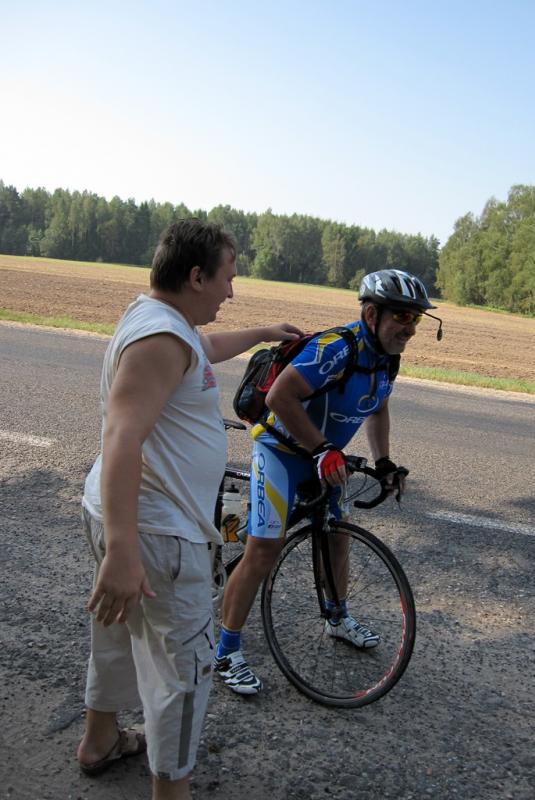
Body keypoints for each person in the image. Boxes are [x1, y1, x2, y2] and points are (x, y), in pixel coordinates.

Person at [76, 218, 301, 800]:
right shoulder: (161, 340)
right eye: (227, 277)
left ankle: (99, 740)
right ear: (197, 275)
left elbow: (207, 349)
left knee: (118, 634)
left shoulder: (163, 322)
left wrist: (264, 332)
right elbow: (122, 436)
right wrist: (125, 552)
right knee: (185, 671)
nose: (232, 291)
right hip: (155, 532)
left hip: (127, 515)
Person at [215, 268, 442, 694]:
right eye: (402, 317)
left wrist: (386, 461)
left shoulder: (385, 361)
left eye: (416, 319)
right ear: (372, 314)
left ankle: (336, 617)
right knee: (263, 551)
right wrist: (322, 448)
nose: (410, 329)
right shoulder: (335, 349)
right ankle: (226, 650)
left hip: (322, 458)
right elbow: (279, 396)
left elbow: (377, 409)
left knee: (336, 537)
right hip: (281, 452)